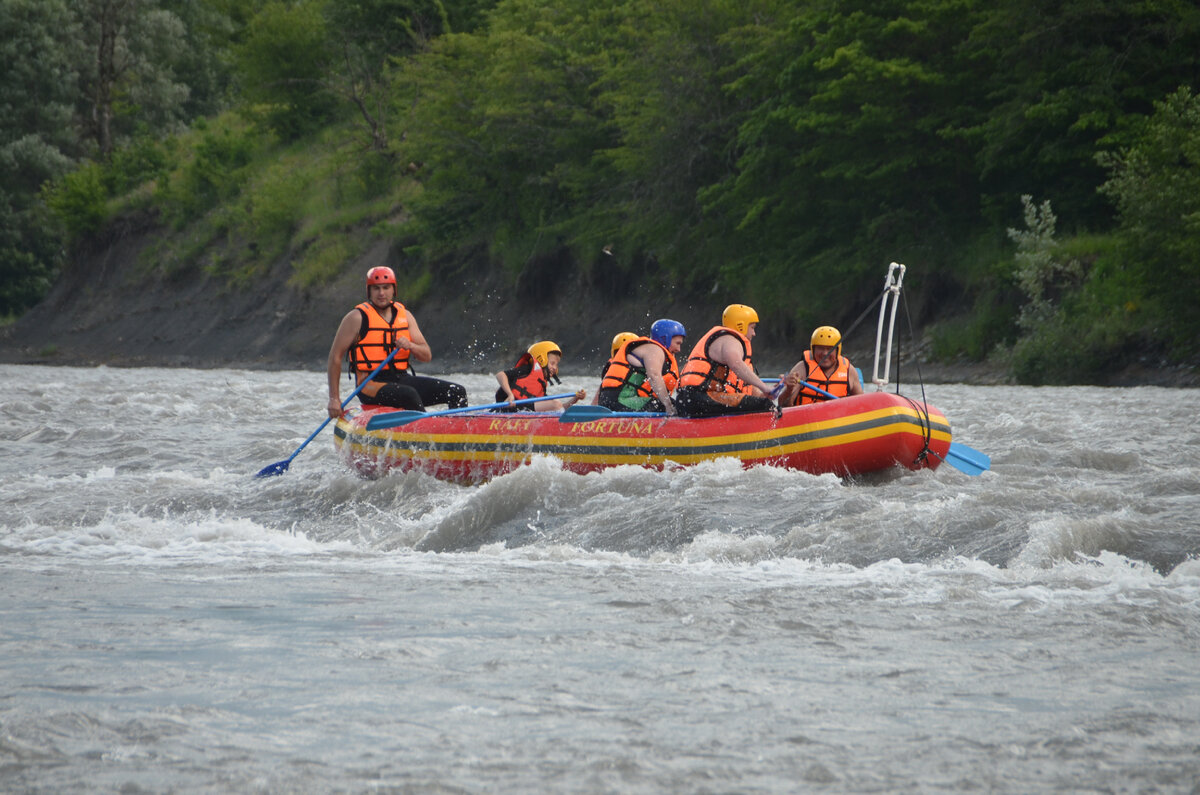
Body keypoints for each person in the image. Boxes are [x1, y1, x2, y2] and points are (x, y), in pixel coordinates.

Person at [326, 266, 467, 418]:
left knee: (456, 391)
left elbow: (426, 356)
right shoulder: (356, 318)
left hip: (401, 378)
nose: (381, 293)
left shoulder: (405, 316)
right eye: (376, 288)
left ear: (394, 290)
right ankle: (427, 435)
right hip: (369, 384)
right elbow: (335, 357)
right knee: (409, 395)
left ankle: (459, 432)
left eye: (386, 288)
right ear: (369, 291)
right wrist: (334, 399)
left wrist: (410, 345)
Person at [674, 304, 778, 417]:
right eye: (752, 327)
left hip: (692, 400)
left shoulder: (736, 350)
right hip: (698, 398)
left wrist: (774, 391)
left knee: (759, 403)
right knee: (765, 405)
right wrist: (764, 387)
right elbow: (736, 364)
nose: (754, 333)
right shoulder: (730, 340)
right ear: (741, 325)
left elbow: (754, 395)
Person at [597, 319, 686, 414]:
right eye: (677, 343)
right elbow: (654, 376)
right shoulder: (654, 349)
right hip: (618, 401)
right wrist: (668, 406)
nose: (679, 349)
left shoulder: (652, 349)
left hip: (613, 400)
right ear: (665, 338)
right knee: (671, 405)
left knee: (673, 404)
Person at [779, 325, 864, 406]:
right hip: (807, 418)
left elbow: (862, 404)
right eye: (820, 348)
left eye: (830, 349)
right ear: (813, 349)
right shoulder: (802, 369)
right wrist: (789, 389)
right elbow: (783, 406)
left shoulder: (850, 371)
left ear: (838, 350)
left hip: (838, 418)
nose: (825, 353)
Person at [494, 340, 586, 412]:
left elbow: (560, 408)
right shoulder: (527, 369)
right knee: (555, 404)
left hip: (522, 409)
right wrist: (510, 395)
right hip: (508, 407)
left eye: (556, 365)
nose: (555, 368)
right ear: (541, 359)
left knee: (555, 404)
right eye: (552, 363)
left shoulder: (541, 385)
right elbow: (500, 375)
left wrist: (575, 399)